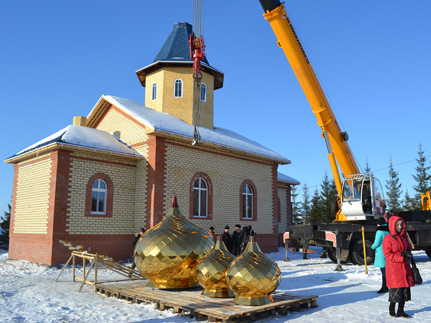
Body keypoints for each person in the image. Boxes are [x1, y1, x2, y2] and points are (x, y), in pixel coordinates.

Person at [383, 216, 414, 318]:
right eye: (397, 225)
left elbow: (408, 248)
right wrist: (401, 257)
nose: (400, 227)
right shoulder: (388, 239)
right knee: (396, 292)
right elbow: (388, 255)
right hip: (394, 269)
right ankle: (392, 308)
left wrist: (408, 254)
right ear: (393, 226)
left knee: (404, 291)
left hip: (405, 268)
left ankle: (401, 311)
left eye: (401, 224)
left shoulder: (404, 237)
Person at [371, 217, 389, 293]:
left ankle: (384, 287)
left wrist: (372, 247)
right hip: (388, 251)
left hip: (381, 252)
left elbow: (377, 242)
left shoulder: (379, 231)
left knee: (383, 270)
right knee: (387, 270)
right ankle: (387, 286)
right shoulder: (388, 230)